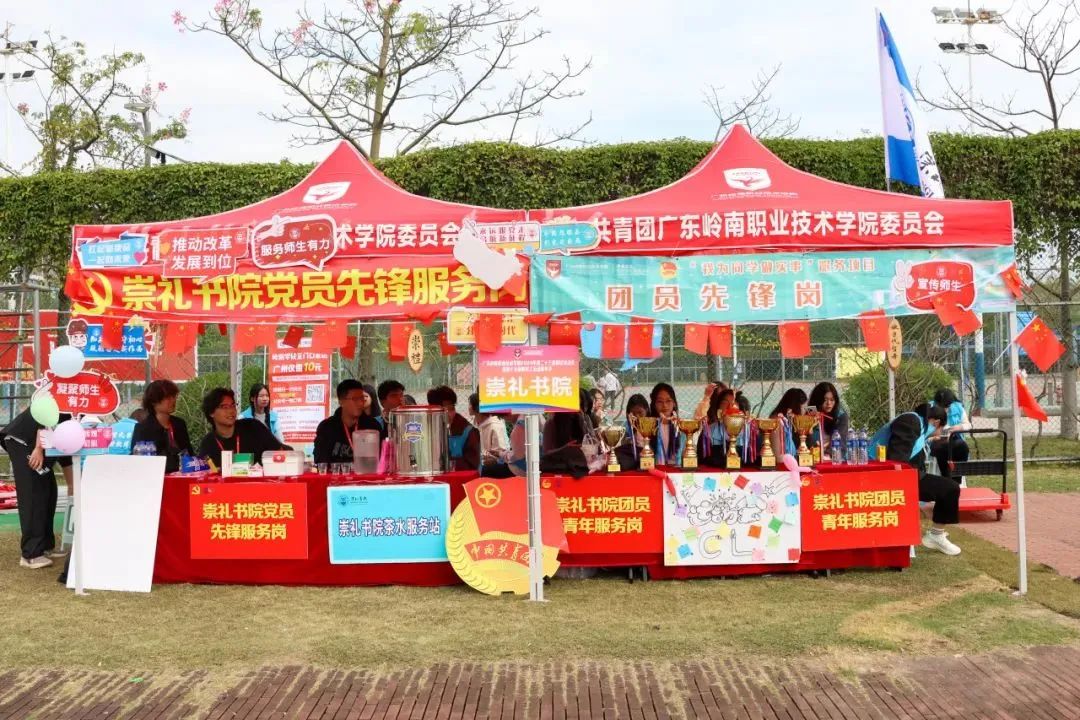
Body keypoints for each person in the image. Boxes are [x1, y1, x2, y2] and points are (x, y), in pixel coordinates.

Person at [873, 403, 961, 555]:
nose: (939, 434)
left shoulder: (919, 425)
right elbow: (897, 458)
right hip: (889, 477)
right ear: (937, 423)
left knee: (949, 489)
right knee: (950, 488)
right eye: (941, 430)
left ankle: (936, 535)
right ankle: (934, 536)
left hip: (907, 475)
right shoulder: (911, 422)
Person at [0, 406, 74, 569]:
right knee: (35, 495)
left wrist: (71, 485)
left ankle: (45, 546)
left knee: (49, 492)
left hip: (40, 443)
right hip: (25, 441)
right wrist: (38, 448)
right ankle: (31, 555)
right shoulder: (68, 400)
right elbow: (44, 416)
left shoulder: (78, 414)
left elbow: (67, 452)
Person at [198, 388, 290, 468]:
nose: (231, 411)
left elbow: (281, 453)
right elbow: (205, 473)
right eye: (224, 407)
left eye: (233, 405)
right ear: (211, 412)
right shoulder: (208, 443)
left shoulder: (254, 427)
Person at [131, 379, 193, 473]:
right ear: (153, 401)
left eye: (174, 396)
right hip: (155, 475)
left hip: (182, 474)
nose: (173, 400)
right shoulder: (143, 428)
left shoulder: (179, 424)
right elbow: (138, 461)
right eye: (167, 397)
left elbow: (189, 454)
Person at [314, 379, 381, 465]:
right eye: (355, 399)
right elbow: (320, 461)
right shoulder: (327, 427)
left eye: (361, 398)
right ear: (341, 401)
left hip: (366, 473)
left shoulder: (372, 426)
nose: (360, 403)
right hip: (336, 473)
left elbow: (382, 459)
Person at [428, 385, 480, 471]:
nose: (448, 414)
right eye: (443, 410)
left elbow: (473, 466)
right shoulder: (429, 429)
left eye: (451, 409)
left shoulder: (468, 432)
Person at [931, 388, 971, 481]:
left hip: (955, 439)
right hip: (936, 440)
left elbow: (968, 425)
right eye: (941, 406)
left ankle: (957, 478)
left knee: (962, 447)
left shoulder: (958, 407)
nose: (945, 409)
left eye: (947, 406)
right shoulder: (930, 408)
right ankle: (946, 479)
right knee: (941, 448)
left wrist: (958, 427)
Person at [470, 392, 513, 478]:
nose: (469, 407)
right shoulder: (474, 423)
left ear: (476, 408)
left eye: (470, 404)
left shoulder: (495, 425)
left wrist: (493, 459)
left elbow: (500, 453)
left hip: (494, 467)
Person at [808, 381, 849, 456]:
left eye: (832, 400)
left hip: (833, 457)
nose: (829, 403)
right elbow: (805, 442)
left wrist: (828, 456)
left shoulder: (841, 416)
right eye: (825, 400)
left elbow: (841, 443)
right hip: (812, 455)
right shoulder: (810, 412)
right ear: (817, 399)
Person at [648, 382, 684, 466]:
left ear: (674, 403)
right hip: (654, 470)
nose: (664, 405)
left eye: (668, 401)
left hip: (676, 470)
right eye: (660, 402)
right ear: (654, 404)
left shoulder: (682, 426)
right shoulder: (648, 426)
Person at [767, 388, 807, 460]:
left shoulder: (792, 422)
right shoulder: (778, 421)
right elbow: (779, 457)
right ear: (795, 407)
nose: (804, 412)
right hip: (781, 464)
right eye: (803, 408)